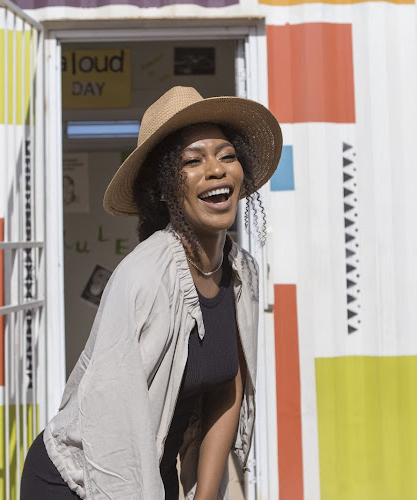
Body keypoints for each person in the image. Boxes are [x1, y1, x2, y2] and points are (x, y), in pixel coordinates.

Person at [19, 86, 282, 499]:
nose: (216, 169)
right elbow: (112, 425)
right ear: (163, 189)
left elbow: (226, 388)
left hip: (152, 474)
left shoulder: (241, 272)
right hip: (81, 481)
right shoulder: (144, 276)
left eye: (226, 155)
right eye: (192, 161)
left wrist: (206, 495)